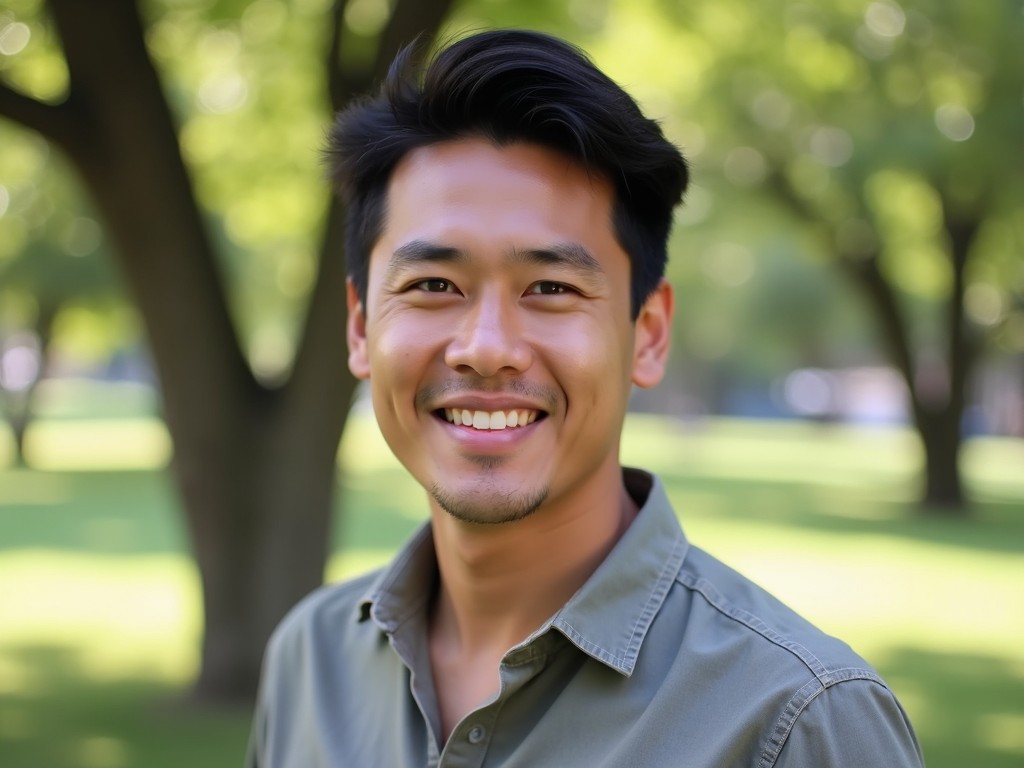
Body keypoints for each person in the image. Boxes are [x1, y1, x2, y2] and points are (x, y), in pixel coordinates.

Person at [246, 29, 924, 767]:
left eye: (552, 288)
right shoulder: (309, 660)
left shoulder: (797, 723)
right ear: (360, 327)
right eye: (433, 286)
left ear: (649, 333)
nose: (487, 346)